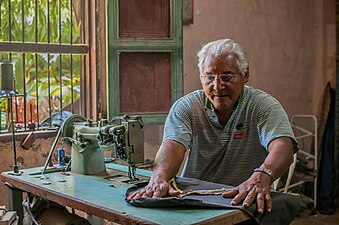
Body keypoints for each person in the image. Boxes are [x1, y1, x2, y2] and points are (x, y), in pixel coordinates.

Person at [127, 38, 298, 215]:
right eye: (209, 77)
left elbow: (283, 147)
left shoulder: (263, 106)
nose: (217, 86)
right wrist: (159, 175)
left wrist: (262, 176)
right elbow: (173, 145)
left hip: (240, 200)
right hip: (192, 199)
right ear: (201, 77)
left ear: (245, 75)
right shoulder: (187, 107)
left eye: (226, 77)